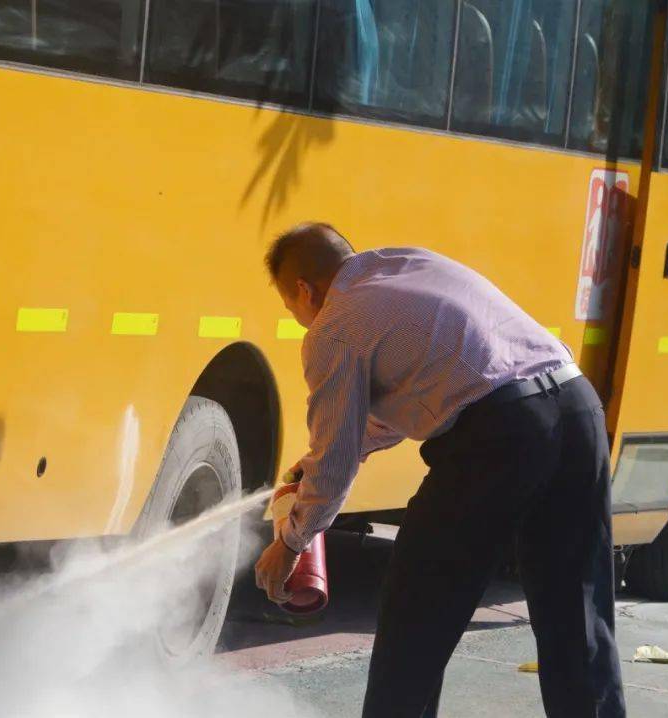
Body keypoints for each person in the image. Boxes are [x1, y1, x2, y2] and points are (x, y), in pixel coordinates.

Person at [254, 223, 626, 717]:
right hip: (577, 409)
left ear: (303, 289)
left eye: (290, 307)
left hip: (499, 435)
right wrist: (333, 456)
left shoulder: (334, 326)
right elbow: (425, 388)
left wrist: (291, 543)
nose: (300, 319)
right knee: (576, 611)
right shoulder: (410, 263)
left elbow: (335, 461)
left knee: (419, 608)